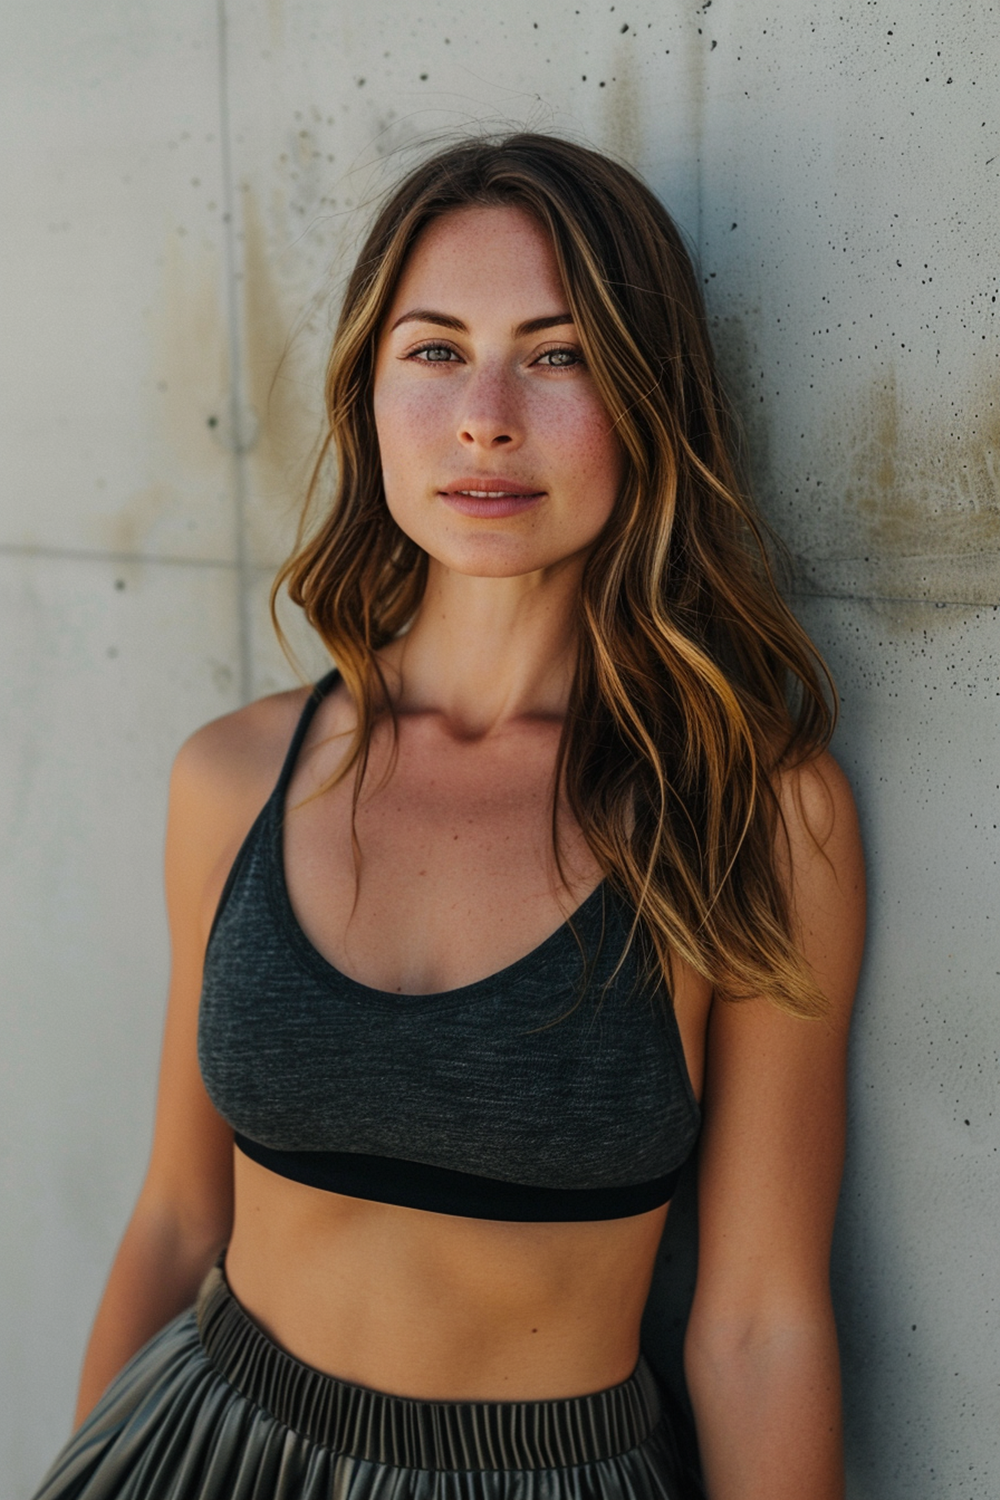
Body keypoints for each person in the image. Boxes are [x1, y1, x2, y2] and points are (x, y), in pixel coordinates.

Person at [33, 133, 865, 1500]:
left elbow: (761, 1322)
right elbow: (183, 1216)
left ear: (649, 398)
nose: (487, 415)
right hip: (195, 1450)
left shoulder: (756, 815)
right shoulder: (233, 777)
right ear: (365, 393)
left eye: (559, 353)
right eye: (433, 351)